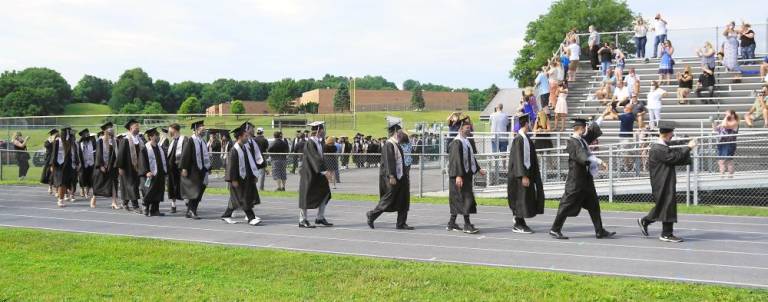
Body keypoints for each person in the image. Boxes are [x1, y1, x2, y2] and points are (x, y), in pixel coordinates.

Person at [549, 119, 615, 240]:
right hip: (576, 181)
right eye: (585, 128)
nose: (586, 130)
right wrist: (599, 162)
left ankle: (599, 231)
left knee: (594, 205)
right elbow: (583, 156)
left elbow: (591, 136)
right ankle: (555, 229)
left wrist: (604, 116)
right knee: (566, 204)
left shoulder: (581, 140)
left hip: (586, 180)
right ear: (581, 128)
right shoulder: (572, 142)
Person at [638, 122, 696, 243]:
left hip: (665, 178)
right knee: (667, 204)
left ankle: (646, 221)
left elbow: (673, 146)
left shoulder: (662, 145)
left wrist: (686, 141)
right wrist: (689, 147)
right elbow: (674, 157)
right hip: (661, 180)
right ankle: (666, 234)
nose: (673, 135)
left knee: (664, 205)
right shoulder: (658, 148)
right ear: (668, 133)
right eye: (672, 133)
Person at [366, 116, 413, 230]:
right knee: (389, 198)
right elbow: (388, 161)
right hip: (392, 177)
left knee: (404, 198)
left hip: (401, 176)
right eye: (400, 131)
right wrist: (391, 176)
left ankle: (401, 223)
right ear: (396, 131)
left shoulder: (397, 143)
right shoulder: (389, 144)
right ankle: (372, 214)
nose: (402, 133)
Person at [447, 116, 486, 234]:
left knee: (458, 200)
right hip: (459, 176)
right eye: (467, 128)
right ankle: (467, 225)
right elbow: (455, 160)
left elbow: (471, 157)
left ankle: (452, 223)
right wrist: (458, 175)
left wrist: (478, 169)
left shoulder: (466, 141)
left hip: (466, 175)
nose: (469, 130)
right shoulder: (456, 143)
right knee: (466, 199)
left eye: (470, 127)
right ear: (460, 129)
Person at [507, 115, 544, 234]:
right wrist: (523, 175)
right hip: (519, 176)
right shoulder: (519, 139)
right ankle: (518, 224)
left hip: (526, 174)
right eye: (530, 123)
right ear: (526, 124)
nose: (532, 124)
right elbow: (518, 159)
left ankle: (520, 221)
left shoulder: (525, 138)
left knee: (525, 198)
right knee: (520, 199)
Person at [222, 125, 263, 226]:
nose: (247, 137)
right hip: (237, 179)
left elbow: (250, 163)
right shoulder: (234, 150)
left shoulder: (245, 148)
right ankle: (251, 218)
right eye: (245, 136)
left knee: (237, 199)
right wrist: (233, 180)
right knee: (243, 198)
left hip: (245, 178)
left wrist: (254, 175)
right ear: (240, 137)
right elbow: (231, 167)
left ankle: (226, 215)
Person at [298, 121, 334, 228]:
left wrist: (325, 170)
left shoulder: (319, 142)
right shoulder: (310, 143)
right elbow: (315, 158)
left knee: (326, 193)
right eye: (322, 130)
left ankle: (320, 217)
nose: (324, 132)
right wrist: (325, 171)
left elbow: (321, 158)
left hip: (318, 173)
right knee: (306, 196)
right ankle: (302, 220)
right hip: (309, 173)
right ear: (319, 130)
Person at [180, 120, 210, 220]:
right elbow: (186, 155)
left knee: (199, 191)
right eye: (202, 128)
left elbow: (206, 156)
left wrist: (208, 167)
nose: (204, 129)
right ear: (196, 130)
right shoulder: (191, 140)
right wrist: (184, 168)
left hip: (202, 170)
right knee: (194, 191)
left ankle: (190, 211)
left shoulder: (202, 141)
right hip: (193, 170)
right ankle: (192, 211)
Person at [116, 119, 144, 213]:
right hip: (127, 167)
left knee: (131, 185)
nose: (138, 128)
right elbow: (120, 154)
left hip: (138, 167)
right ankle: (135, 206)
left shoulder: (139, 139)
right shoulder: (125, 140)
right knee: (132, 186)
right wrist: (120, 167)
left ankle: (124, 203)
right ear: (131, 128)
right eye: (136, 126)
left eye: (138, 126)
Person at [138, 128, 167, 217]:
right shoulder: (145, 149)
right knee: (149, 191)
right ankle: (145, 207)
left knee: (158, 192)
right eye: (156, 135)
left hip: (159, 174)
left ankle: (155, 210)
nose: (158, 136)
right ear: (150, 137)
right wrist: (146, 171)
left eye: (158, 135)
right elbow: (142, 161)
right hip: (149, 175)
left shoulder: (159, 148)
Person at [50, 127, 80, 207]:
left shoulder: (70, 142)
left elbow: (74, 154)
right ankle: (60, 200)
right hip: (59, 165)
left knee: (67, 183)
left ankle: (64, 197)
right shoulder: (57, 141)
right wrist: (52, 165)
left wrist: (77, 163)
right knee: (61, 183)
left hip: (68, 165)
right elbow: (54, 154)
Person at [91, 122, 119, 210]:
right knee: (99, 183)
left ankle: (114, 202)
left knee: (114, 183)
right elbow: (98, 153)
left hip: (112, 166)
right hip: (102, 166)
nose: (111, 129)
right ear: (104, 130)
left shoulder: (115, 141)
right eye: (108, 128)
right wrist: (101, 165)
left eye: (111, 127)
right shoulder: (100, 140)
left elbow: (116, 154)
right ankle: (94, 198)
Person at [714, 110, 739, 178]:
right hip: (722, 143)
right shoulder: (725, 121)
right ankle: (726, 175)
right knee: (724, 160)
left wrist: (726, 117)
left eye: (727, 114)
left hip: (729, 144)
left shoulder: (735, 122)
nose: (726, 115)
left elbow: (725, 125)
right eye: (725, 114)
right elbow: (716, 129)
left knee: (724, 160)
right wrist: (713, 123)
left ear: (732, 115)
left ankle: (725, 175)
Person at [164, 123, 184, 213]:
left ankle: (188, 204)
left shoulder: (184, 140)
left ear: (174, 130)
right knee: (171, 187)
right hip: (171, 169)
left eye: (170, 130)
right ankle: (173, 205)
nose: (169, 131)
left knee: (183, 186)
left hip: (180, 168)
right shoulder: (172, 141)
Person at [77, 129, 96, 204]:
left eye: (88, 134)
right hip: (83, 163)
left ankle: (87, 192)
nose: (87, 135)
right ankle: (82, 189)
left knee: (90, 178)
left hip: (91, 162)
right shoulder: (79, 143)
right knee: (82, 177)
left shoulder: (92, 142)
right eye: (85, 134)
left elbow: (95, 151)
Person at [41, 129, 58, 195]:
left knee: (56, 174)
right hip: (49, 159)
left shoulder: (58, 141)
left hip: (56, 159)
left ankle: (56, 189)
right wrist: (52, 141)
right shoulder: (48, 141)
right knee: (49, 173)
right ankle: (50, 187)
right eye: (56, 134)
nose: (57, 135)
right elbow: (47, 146)